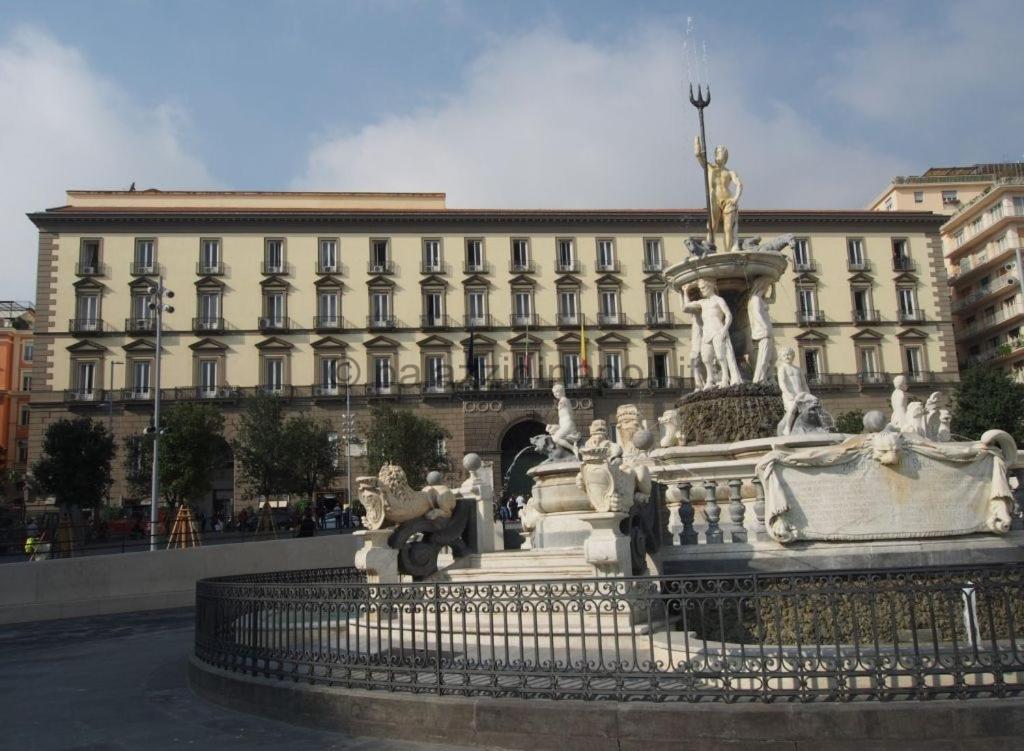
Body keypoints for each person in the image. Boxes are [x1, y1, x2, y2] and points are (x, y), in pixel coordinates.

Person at [682, 279, 741, 388]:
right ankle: (710, 379)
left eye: (703, 288)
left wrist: (725, 329)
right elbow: (686, 308)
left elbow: (728, 315)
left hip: (717, 329)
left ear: (710, 287)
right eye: (700, 288)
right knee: (706, 357)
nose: (701, 290)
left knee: (721, 356)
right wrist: (685, 291)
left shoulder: (719, 300)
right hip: (707, 332)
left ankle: (725, 378)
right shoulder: (702, 302)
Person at [694, 136, 743, 252]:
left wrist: (735, 198)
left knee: (728, 229)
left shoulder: (730, 172)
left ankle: (728, 253)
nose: (717, 153)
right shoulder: (709, 168)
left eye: (719, 152)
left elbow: (739, 185)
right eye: (716, 152)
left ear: (725, 156)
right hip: (714, 199)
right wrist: (697, 140)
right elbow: (698, 155)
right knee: (712, 227)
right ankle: (709, 250)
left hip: (728, 200)